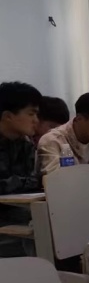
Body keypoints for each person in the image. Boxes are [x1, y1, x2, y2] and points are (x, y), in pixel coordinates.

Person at [0, 82, 42, 257]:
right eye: (31, 114)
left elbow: (33, 180)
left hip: (16, 208)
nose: (36, 120)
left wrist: (14, 183)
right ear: (8, 116)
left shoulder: (25, 144)